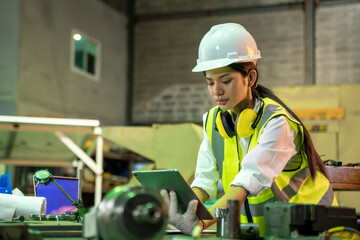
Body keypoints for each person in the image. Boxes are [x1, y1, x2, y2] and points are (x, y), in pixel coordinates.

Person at [161, 23, 338, 237]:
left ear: (251, 78)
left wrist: (201, 223)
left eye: (226, 81)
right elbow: (204, 179)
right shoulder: (213, 122)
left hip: (315, 231)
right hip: (262, 233)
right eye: (210, 83)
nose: (217, 91)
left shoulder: (277, 122)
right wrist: (184, 209)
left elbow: (246, 182)